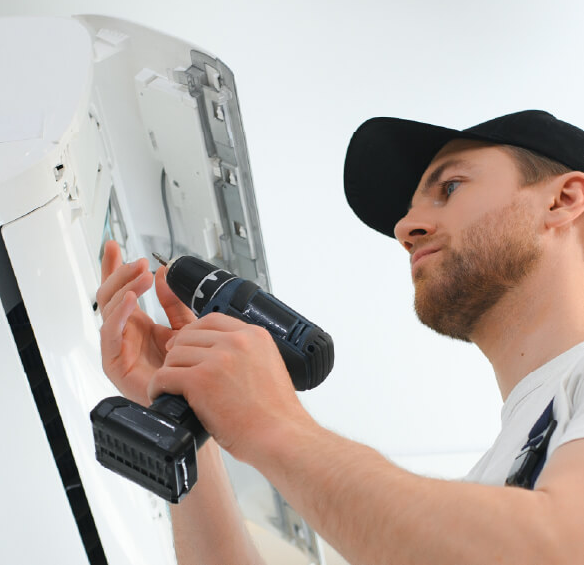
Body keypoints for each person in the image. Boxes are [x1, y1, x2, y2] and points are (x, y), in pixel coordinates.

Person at [96, 110, 584, 564]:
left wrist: (273, 423)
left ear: (564, 200)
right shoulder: (492, 488)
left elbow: (553, 551)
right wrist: (186, 425)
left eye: (450, 186)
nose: (403, 228)